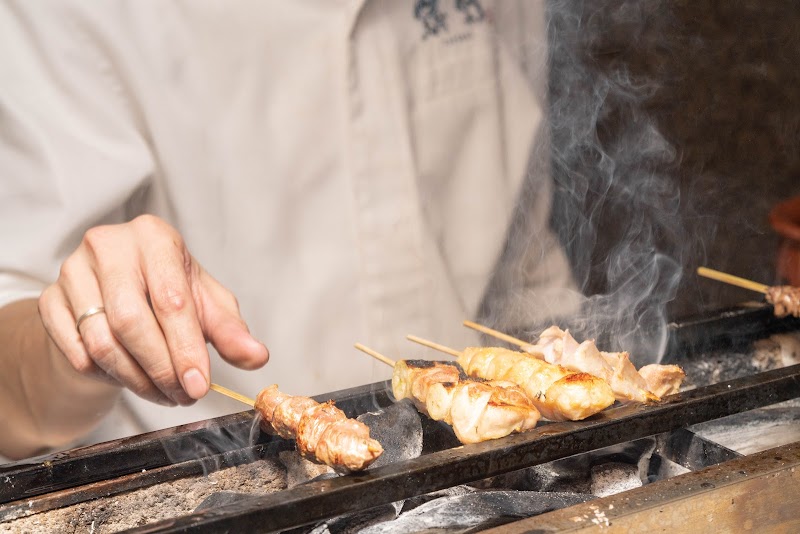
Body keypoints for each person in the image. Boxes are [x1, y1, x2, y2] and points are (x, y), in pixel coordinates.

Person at [0, 0, 579, 461]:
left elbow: (526, 257)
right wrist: (85, 336)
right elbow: (9, 399)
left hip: (485, 466)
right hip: (206, 488)